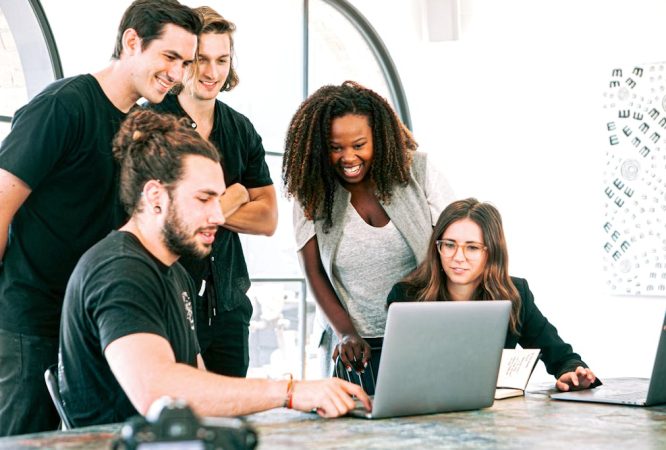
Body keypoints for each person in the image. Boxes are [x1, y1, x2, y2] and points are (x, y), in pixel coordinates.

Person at [58, 109, 370, 427]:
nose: (219, 217)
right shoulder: (119, 271)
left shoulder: (175, 273)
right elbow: (159, 393)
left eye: (218, 199)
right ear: (155, 196)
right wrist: (289, 392)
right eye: (204, 199)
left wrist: (301, 400)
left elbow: (200, 387)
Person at [0, 0, 201, 436]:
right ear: (132, 41)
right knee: (22, 439)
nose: (179, 74)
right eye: (170, 57)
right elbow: (0, 205)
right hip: (32, 317)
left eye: (186, 62)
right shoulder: (62, 107)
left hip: (98, 322)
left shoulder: (149, 123)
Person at [282, 81, 454, 378]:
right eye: (336, 148)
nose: (348, 158)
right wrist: (346, 333)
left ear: (380, 137)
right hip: (356, 348)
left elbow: (454, 249)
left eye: (359, 145)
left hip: (425, 335)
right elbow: (314, 272)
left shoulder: (419, 172)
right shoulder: (310, 191)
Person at [148, 6, 277, 378]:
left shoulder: (241, 129)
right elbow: (159, 218)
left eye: (222, 60)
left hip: (229, 306)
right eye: (201, 59)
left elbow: (268, 218)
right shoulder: (152, 123)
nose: (211, 72)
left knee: (230, 423)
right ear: (184, 60)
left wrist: (203, 207)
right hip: (168, 301)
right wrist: (236, 195)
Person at [387, 198, 600, 392]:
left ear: (491, 252)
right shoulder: (407, 296)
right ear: (437, 248)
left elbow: (561, 356)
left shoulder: (515, 295)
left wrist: (572, 373)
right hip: (421, 412)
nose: (458, 257)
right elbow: (397, 373)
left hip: (490, 416)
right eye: (449, 245)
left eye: (472, 248)